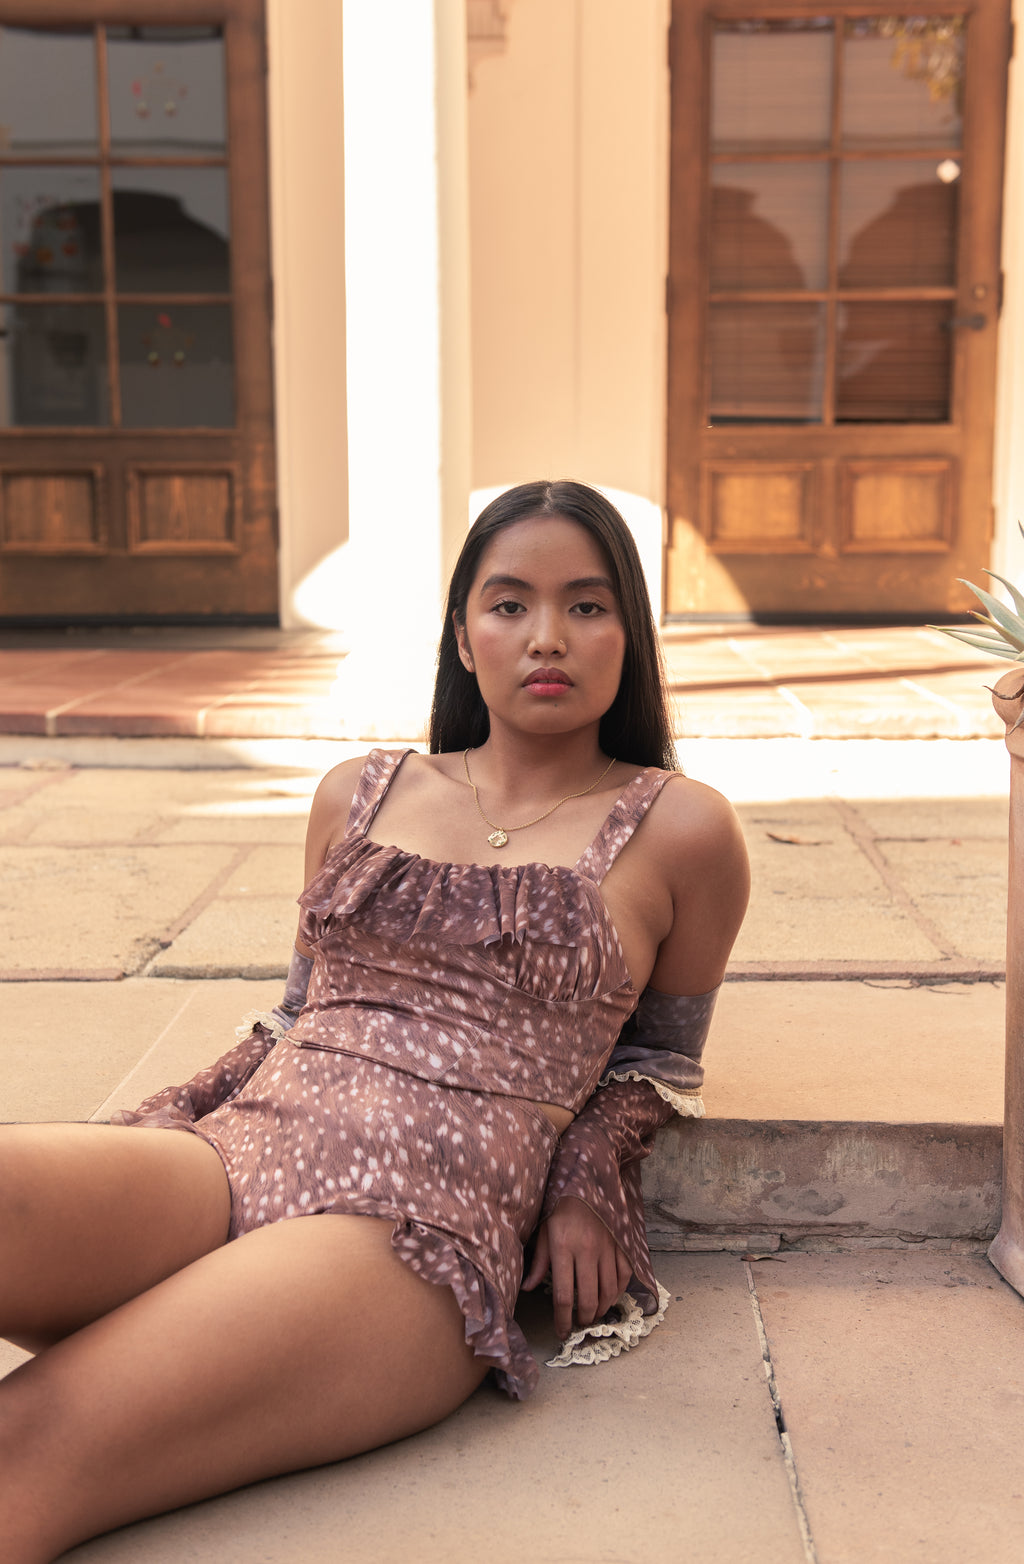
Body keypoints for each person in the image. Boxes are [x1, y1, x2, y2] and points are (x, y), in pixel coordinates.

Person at [0, 480, 749, 1560]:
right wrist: (180, 1111)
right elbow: (300, 1010)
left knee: (35, 1435)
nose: (547, 636)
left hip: (409, 1230)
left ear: (631, 631)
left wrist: (586, 1176)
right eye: (509, 604)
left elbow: (657, 1060)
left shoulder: (681, 828)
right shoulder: (357, 788)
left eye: (588, 606)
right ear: (461, 634)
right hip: (241, 1155)